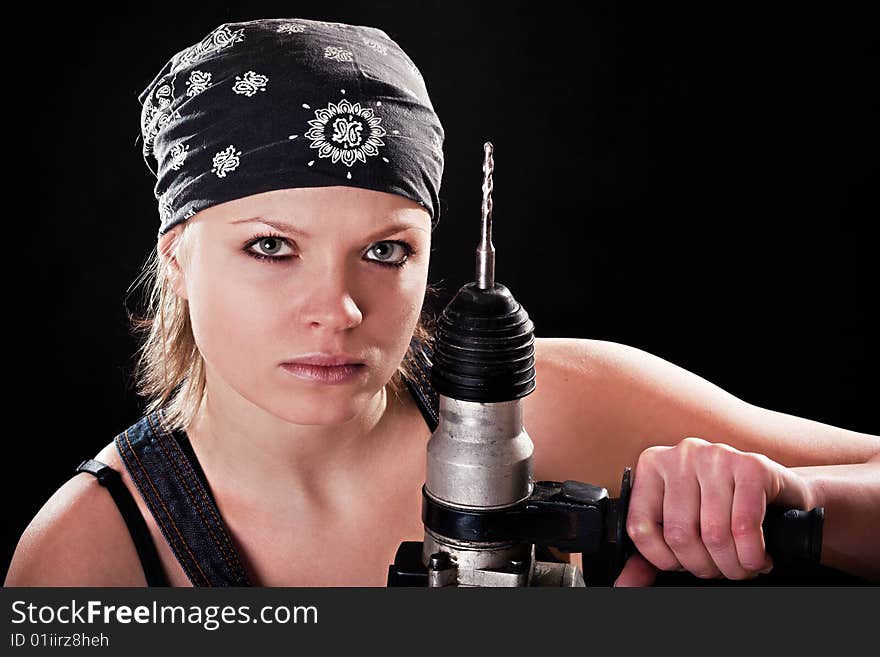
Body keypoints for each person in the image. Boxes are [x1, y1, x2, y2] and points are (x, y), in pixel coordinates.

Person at [5, 17, 879, 587]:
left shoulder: (552, 409)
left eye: (385, 251)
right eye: (271, 247)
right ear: (178, 257)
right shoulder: (89, 559)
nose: (340, 309)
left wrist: (794, 499)